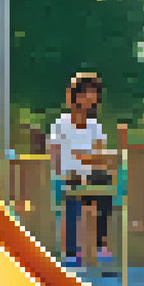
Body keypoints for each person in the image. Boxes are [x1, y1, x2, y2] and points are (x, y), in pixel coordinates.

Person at [49, 73, 114, 268]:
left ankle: (100, 245)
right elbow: (54, 155)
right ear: (76, 96)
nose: (90, 99)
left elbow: (100, 158)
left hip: (90, 178)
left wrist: (84, 157)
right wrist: (66, 171)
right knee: (72, 188)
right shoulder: (61, 124)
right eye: (86, 94)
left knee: (105, 182)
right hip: (68, 178)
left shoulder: (95, 127)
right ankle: (71, 252)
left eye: (93, 95)